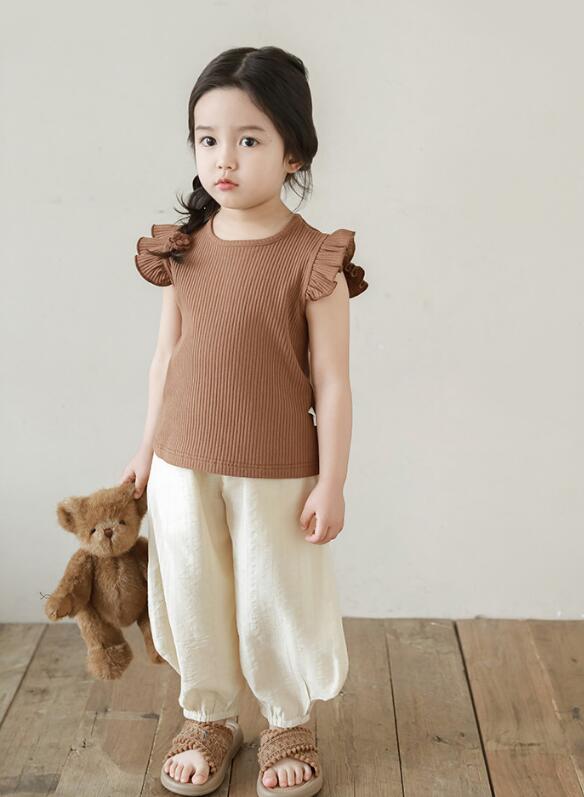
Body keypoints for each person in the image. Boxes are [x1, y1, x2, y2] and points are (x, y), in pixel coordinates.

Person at [120, 45, 368, 797]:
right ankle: (208, 712)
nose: (223, 158)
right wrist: (145, 452)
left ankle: (287, 717)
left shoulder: (313, 259)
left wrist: (332, 481)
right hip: (182, 460)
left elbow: (332, 380)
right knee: (194, 587)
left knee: (274, 595)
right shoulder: (183, 250)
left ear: (293, 151)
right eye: (208, 138)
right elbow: (166, 358)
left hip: (277, 467)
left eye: (248, 139)